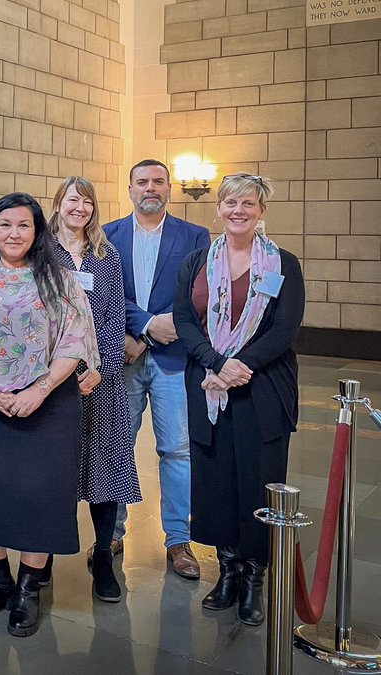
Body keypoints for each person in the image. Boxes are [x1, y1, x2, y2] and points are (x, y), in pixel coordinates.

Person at [0, 193, 99, 638]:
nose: (14, 234)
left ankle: (29, 588)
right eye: (5, 225)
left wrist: (40, 390)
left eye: (24, 226)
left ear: (37, 231)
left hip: (49, 406)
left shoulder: (61, 280)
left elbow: (76, 341)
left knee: (38, 495)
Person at [174, 174, 304, 626]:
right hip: (208, 385)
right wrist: (216, 362)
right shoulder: (195, 262)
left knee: (257, 479)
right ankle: (226, 569)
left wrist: (239, 366)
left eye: (248, 203)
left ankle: (254, 577)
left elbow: (285, 329)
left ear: (261, 211)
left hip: (263, 389)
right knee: (215, 481)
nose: (238, 210)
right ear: (219, 208)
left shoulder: (282, 263)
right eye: (230, 202)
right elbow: (183, 321)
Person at [103, 159, 210, 580]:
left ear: (170, 188)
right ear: (129, 188)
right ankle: (110, 531)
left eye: (158, 181)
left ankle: (178, 540)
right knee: (116, 449)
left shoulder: (195, 236)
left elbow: (196, 296)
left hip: (173, 359)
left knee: (177, 451)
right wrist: (144, 326)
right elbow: (103, 296)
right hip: (122, 357)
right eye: (142, 181)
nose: (151, 188)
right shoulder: (106, 235)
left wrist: (149, 333)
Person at [47, 177, 142, 602]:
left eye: (86, 201)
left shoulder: (108, 254)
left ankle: (103, 556)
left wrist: (96, 367)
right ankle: (42, 555)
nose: (79, 207)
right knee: (54, 470)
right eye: (72, 199)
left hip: (101, 380)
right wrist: (60, 369)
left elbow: (113, 315)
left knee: (103, 468)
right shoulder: (40, 252)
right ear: (58, 205)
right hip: (50, 380)